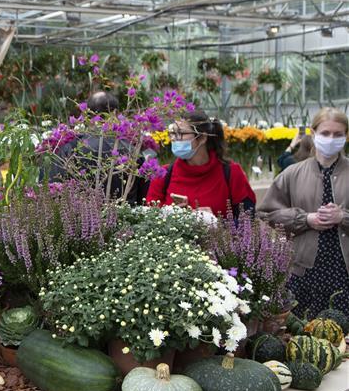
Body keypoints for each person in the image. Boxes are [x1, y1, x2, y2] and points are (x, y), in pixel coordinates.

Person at [258, 107, 349, 316]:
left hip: (344, 272)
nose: (331, 139)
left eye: (338, 134)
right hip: (304, 271)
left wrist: (342, 216)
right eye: (326, 133)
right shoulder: (293, 173)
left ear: (346, 136)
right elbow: (266, 214)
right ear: (314, 133)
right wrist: (305, 219)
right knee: (302, 333)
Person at [145, 110, 255, 216]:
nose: (174, 139)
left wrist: (215, 223)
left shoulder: (232, 172)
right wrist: (172, 215)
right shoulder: (162, 174)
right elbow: (150, 219)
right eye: (173, 133)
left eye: (181, 133)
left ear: (202, 138)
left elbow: (248, 221)